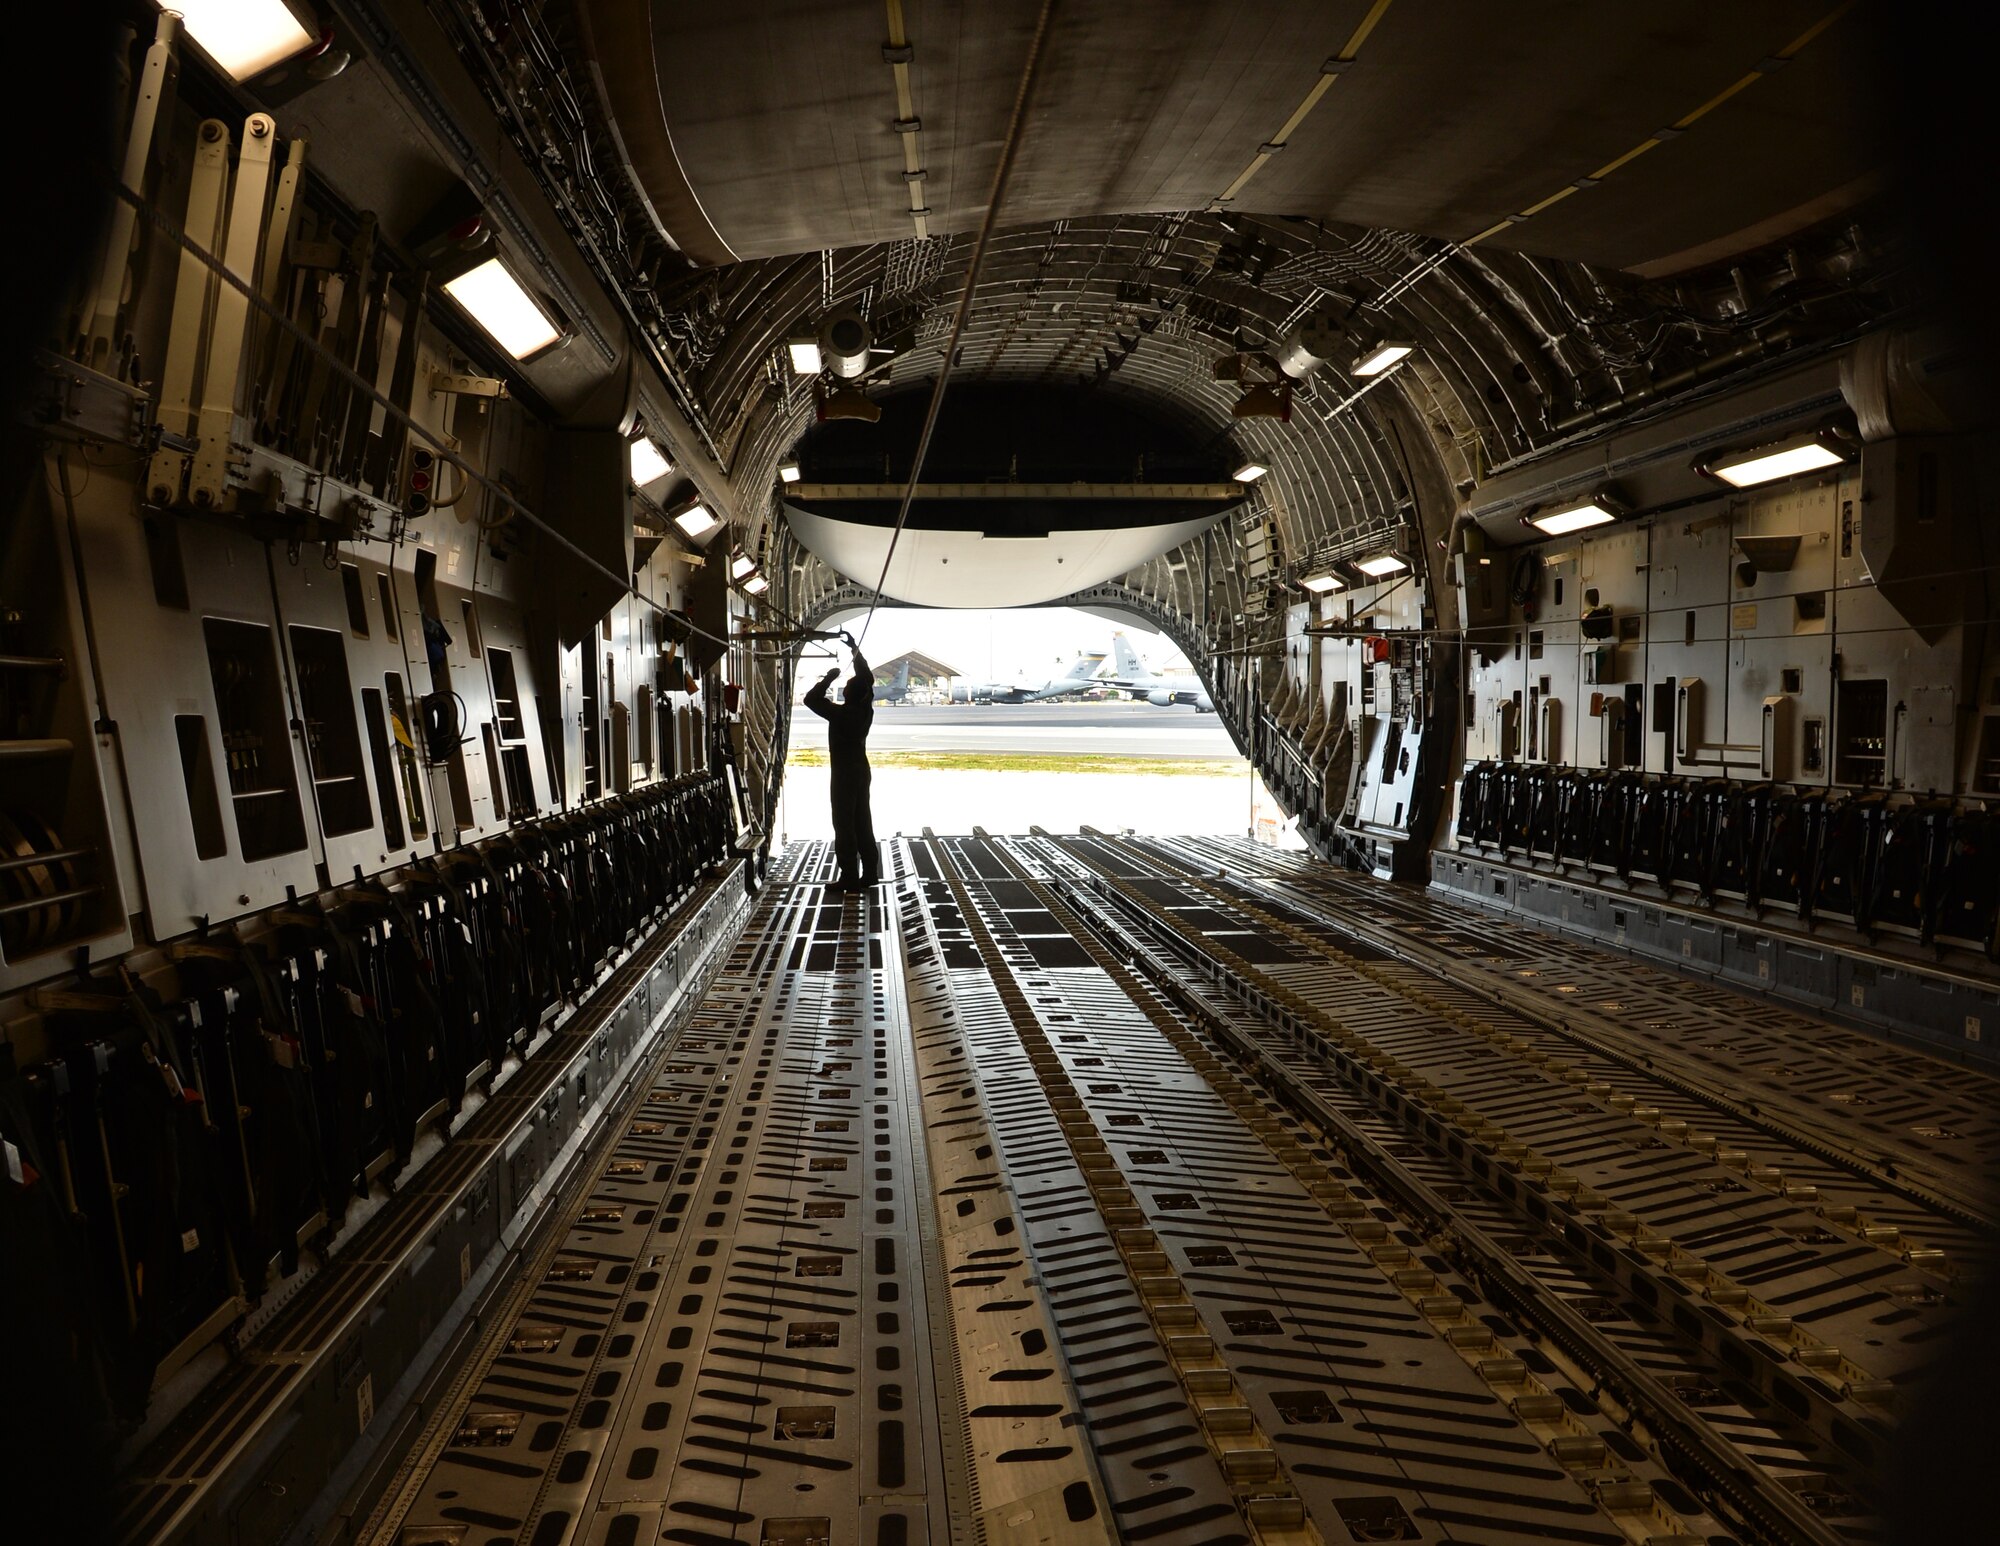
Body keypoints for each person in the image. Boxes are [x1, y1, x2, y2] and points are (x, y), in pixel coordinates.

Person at [802, 641, 878, 893]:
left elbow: (811, 699)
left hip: (844, 773)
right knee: (863, 820)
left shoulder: (841, 714)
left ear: (848, 694)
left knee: (844, 824)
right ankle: (869, 872)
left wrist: (828, 678)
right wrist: (855, 650)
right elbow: (867, 679)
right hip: (861, 770)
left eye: (845, 686)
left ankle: (849, 875)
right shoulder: (865, 709)